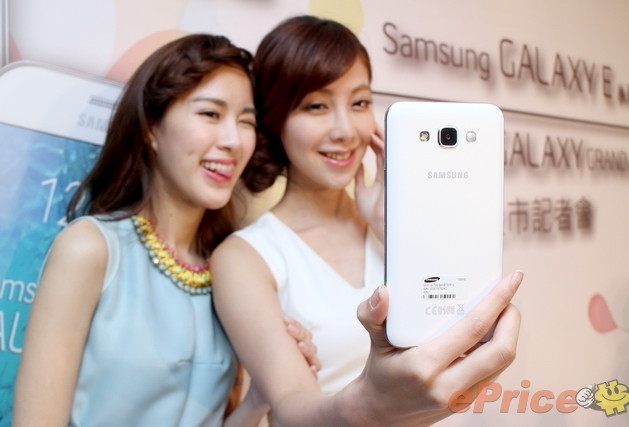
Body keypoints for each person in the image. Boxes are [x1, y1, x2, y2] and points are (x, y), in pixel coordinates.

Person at [211, 15, 523, 426]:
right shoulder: (246, 257)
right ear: (275, 118)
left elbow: (468, 332)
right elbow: (288, 408)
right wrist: (368, 402)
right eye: (316, 105)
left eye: (359, 103)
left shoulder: (389, 227)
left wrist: (390, 227)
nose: (345, 130)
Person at [12, 33, 318, 427]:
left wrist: (260, 398)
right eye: (210, 114)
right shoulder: (91, 249)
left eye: (246, 122)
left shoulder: (231, 272)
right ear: (151, 128)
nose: (233, 140)